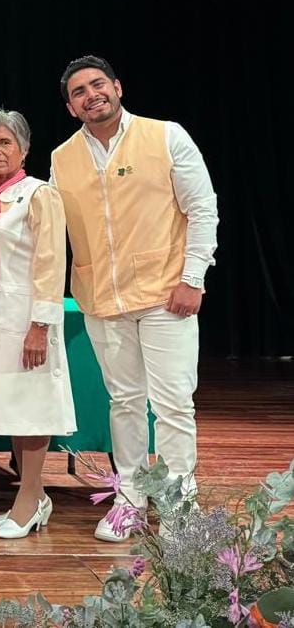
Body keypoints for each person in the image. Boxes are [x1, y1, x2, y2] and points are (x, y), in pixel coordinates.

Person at [51, 55, 218, 542]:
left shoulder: (165, 136)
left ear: (117, 87)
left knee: (173, 405)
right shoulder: (62, 158)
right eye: (79, 92)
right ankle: (129, 498)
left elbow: (202, 209)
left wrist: (192, 278)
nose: (91, 95)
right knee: (124, 402)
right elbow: (52, 227)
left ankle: (179, 504)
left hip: (166, 295)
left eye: (97, 84)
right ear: (71, 108)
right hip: (101, 298)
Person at [0, 109, 76, 540]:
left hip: (27, 315)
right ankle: (37, 497)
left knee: (32, 406)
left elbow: (51, 262)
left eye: (4, 143)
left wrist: (40, 326)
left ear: (24, 149)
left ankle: (28, 498)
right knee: (13, 405)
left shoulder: (38, 194)